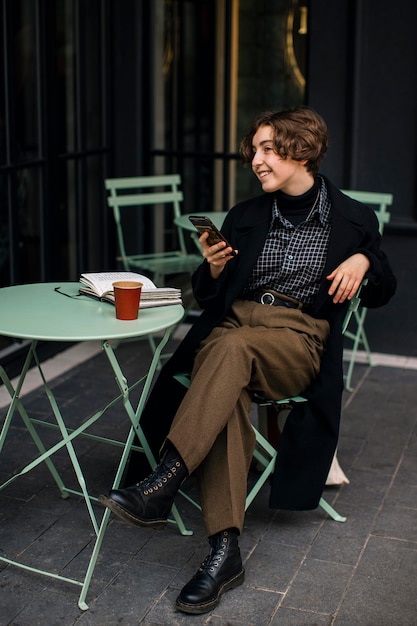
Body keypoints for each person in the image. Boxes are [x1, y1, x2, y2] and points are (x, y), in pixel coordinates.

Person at [99, 106, 396, 615]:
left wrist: (366, 259)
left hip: (298, 338)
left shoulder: (351, 219)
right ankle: (223, 553)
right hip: (234, 326)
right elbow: (211, 298)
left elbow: (384, 290)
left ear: (302, 149)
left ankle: (166, 479)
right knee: (229, 384)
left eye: (266, 148)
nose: (255, 160)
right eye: (253, 150)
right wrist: (211, 270)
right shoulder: (245, 216)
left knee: (229, 352)